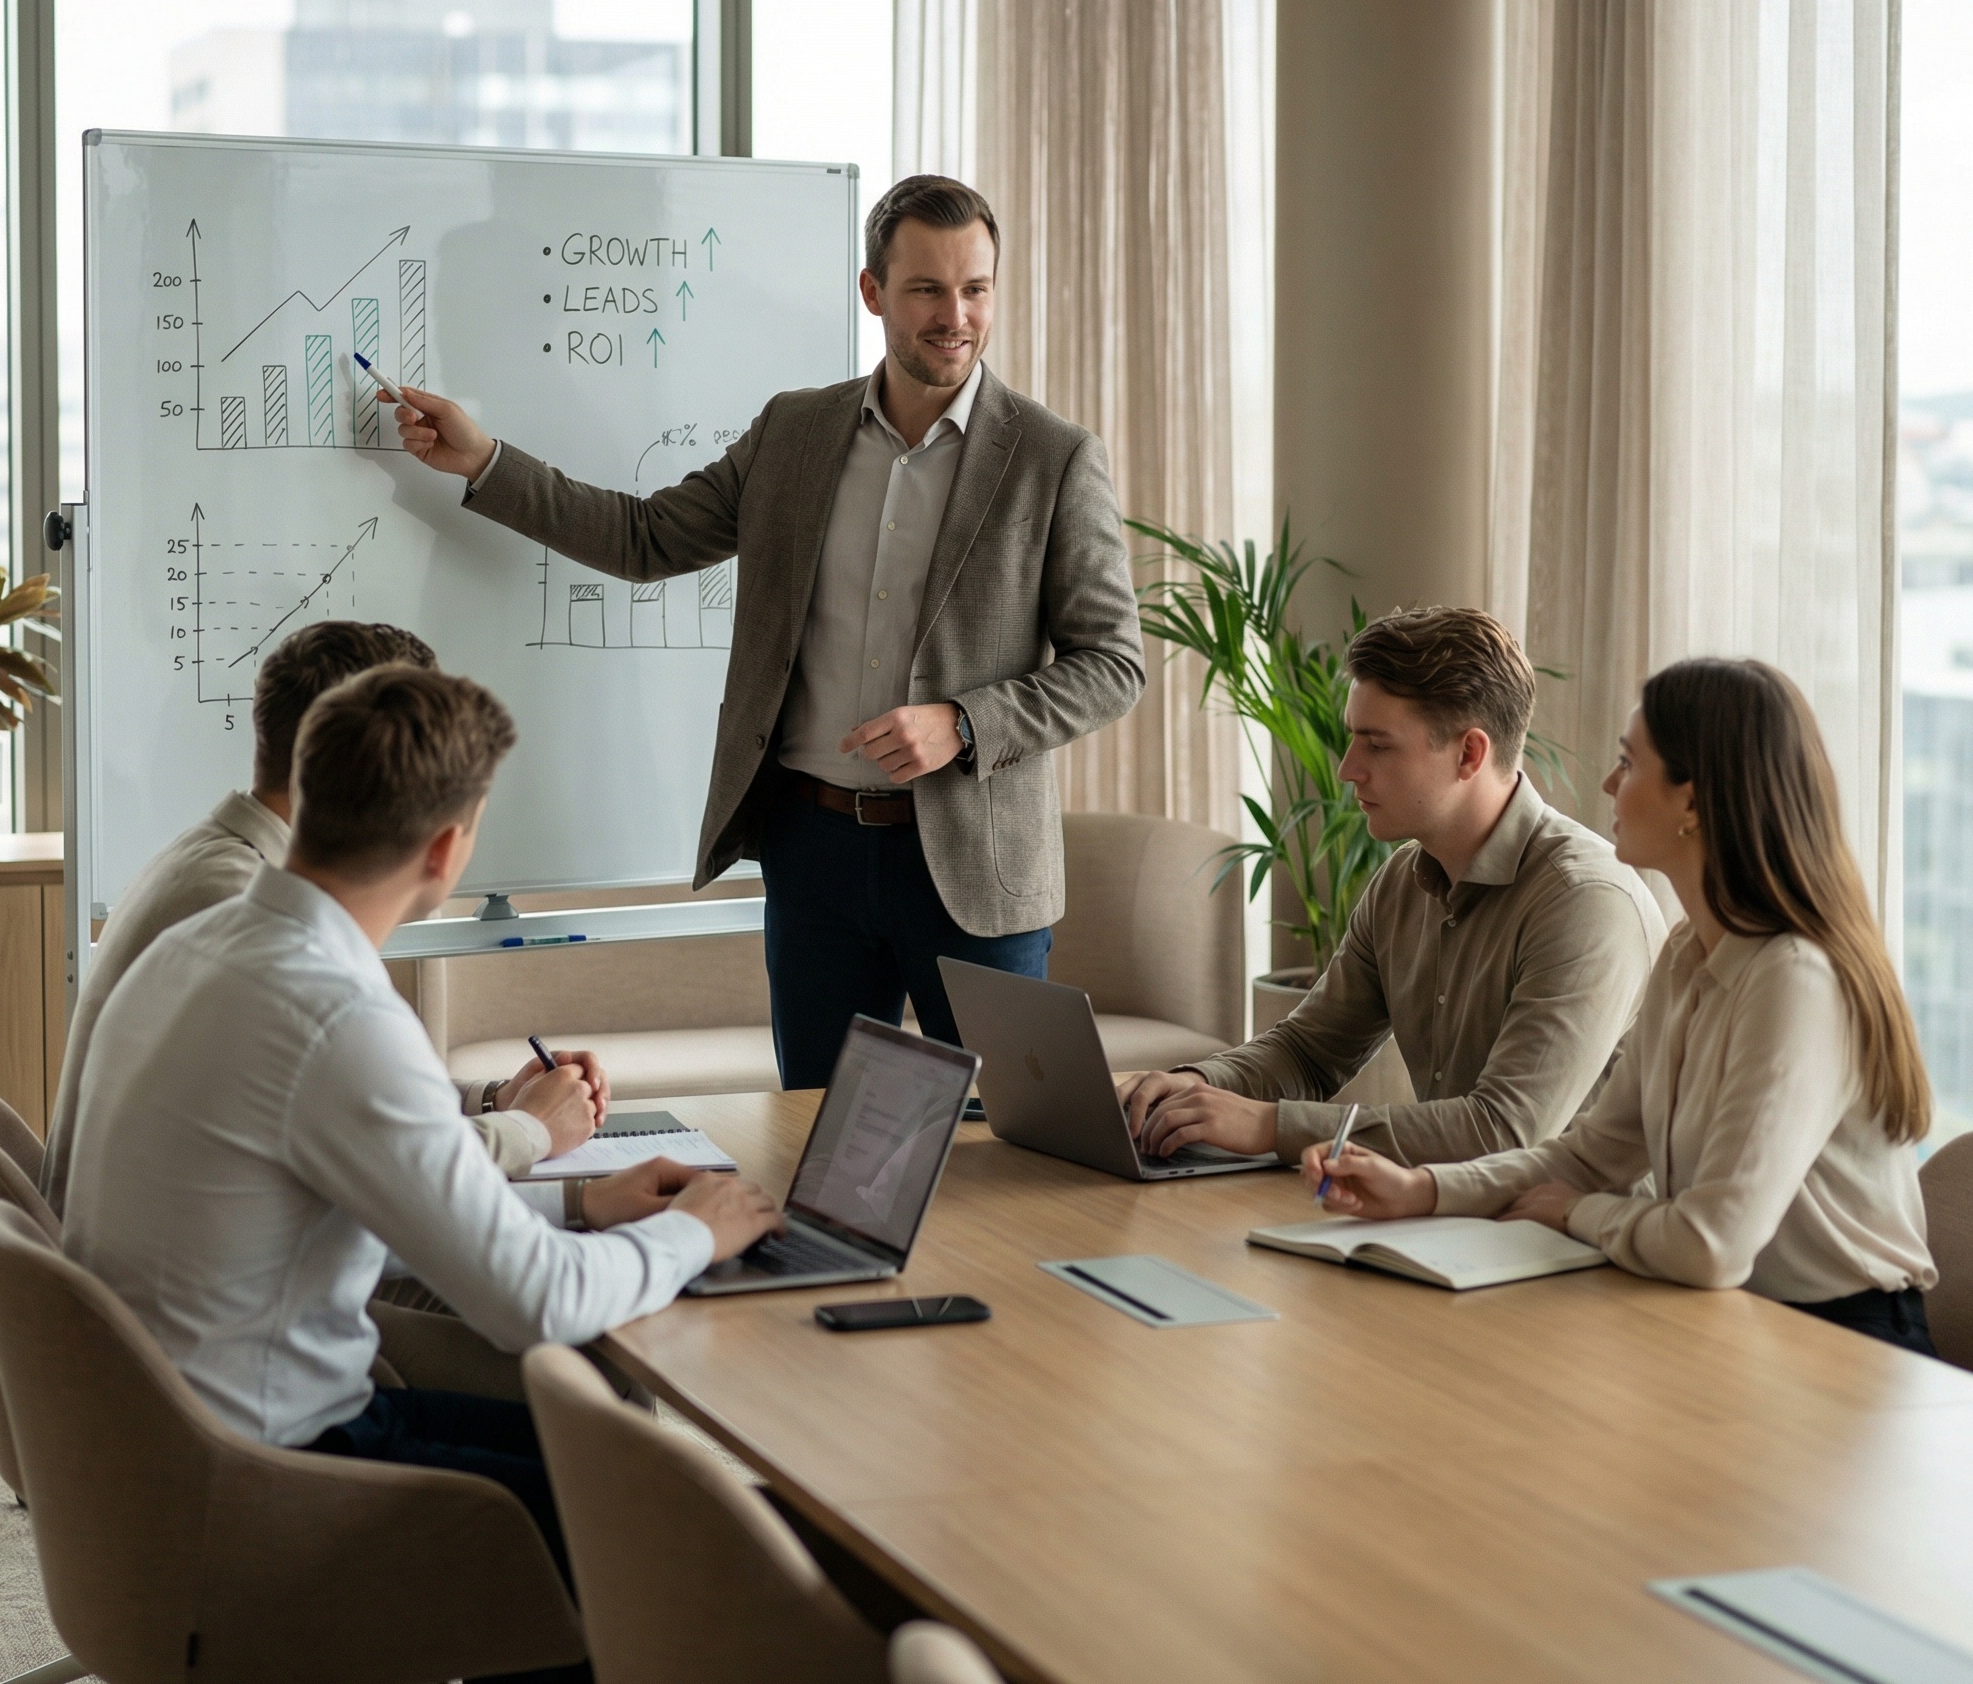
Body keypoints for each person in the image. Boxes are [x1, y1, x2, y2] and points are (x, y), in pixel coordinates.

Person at [65, 663, 783, 1675]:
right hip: (265, 1482)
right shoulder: (335, 1012)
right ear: (447, 848)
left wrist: (580, 1206)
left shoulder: (200, 947)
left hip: (158, 1453)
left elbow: (366, 1194)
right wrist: (695, 1230)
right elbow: (535, 1305)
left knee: (606, 1463)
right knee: (645, 1518)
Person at [395, 174, 1145, 1088]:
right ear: (872, 292)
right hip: (814, 853)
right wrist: (484, 460)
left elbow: (1113, 664)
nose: (956, 317)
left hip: (977, 865)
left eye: (975, 289)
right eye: (926, 290)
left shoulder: (1053, 457)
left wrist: (964, 723)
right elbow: (646, 538)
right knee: (820, 1133)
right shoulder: (795, 432)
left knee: (1004, 1138)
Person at [1303, 659, 1939, 1356]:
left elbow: (1711, 1245)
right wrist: (1419, 1189)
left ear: (1692, 803)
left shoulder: (1795, 980)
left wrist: (1579, 1214)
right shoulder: (1686, 955)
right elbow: (1590, 1154)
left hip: (1845, 1344)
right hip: (1731, 1321)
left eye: (1629, 763)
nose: (1609, 784)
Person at [41, 619, 601, 1217]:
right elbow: (399, 1172)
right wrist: (531, 1130)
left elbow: (351, 1105)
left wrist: (496, 1101)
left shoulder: (218, 859)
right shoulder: (246, 907)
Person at [1120, 606, 1668, 1166]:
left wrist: (1268, 1125)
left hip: (1571, 1219)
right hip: (1438, 1206)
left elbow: (1503, 1132)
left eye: (1377, 745)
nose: (1347, 769)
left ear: (1469, 754)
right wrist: (1191, 1087)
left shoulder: (1586, 901)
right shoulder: (1402, 882)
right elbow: (1308, 1052)